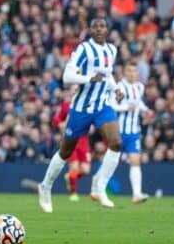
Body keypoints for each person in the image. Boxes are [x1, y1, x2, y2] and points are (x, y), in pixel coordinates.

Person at [38, 18, 125, 213]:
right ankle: (45, 186)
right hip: (81, 108)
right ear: (91, 30)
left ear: (107, 29)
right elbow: (67, 77)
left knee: (116, 142)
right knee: (65, 151)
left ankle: (99, 186)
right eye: (96, 27)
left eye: (103, 26)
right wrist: (89, 79)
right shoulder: (83, 50)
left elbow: (107, 74)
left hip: (102, 105)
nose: (100, 29)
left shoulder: (112, 50)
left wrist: (116, 88)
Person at [109, 62, 153, 204]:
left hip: (134, 131)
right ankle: (98, 187)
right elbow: (112, 105)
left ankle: (136, 194)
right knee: (111, 162)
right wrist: (126, 107)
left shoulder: (139, 87)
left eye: (135, 71)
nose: (133, 74)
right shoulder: (120, 87)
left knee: (135, 160)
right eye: (130, 71)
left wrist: (146, 110)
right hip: (119, 131)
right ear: (125, 73)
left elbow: (138, 103)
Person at [52, 91, 91, 202]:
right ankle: (73, 194)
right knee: (74, 167)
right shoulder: (65, 105)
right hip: (71, 140)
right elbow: (56, 119)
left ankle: (70, 177)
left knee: (85, 170)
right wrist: (60, 124)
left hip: (84, 141)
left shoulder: (87, 104)